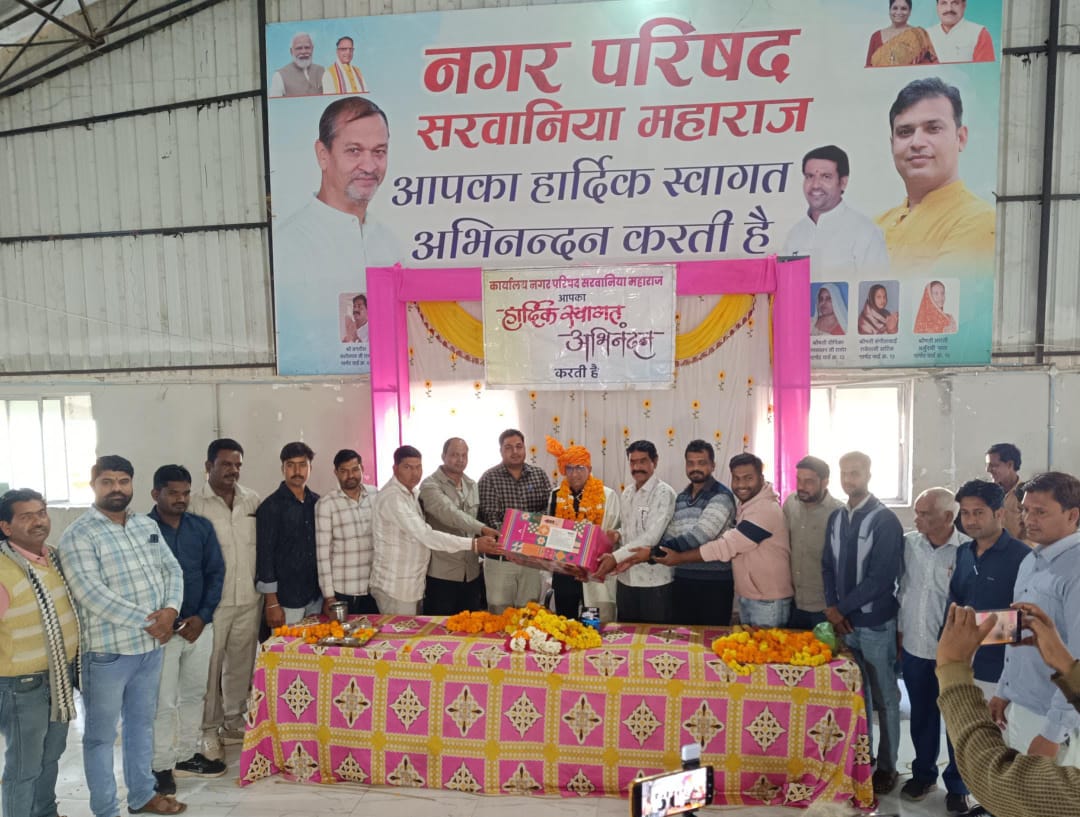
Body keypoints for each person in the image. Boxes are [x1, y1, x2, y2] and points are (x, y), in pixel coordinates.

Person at [58, 455, 186, 817]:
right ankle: (105, 809)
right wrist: (153, 622)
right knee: (100, 737)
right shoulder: (79, 534)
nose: (116, 488)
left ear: (132, 484)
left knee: (141, 726)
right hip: (107, 653)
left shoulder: (145, 524)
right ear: (94, 485)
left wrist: (171, 610)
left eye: (123, 481)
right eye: (107, 482)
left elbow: (172, 570)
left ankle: (142, 795)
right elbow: (90, 593)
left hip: (149, 649)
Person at [273, 96, 400, 374]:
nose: (369, 166)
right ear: (323, 155)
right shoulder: (287, 245)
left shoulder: (391, 243)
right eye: (354, 151)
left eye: (379, 152)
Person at [936, 602, 1080, 817]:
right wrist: (1067, 667)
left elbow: (1000, 782)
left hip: (1044, 715)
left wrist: (953, 670)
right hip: (1021, 704)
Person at [821, 451, 904, 796]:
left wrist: (840, 609)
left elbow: (881, 579)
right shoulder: (837, 517)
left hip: (873, 624)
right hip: (844, 624)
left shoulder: (885, 520)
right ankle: (862, 757)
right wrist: (833, 608)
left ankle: (888, 766)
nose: (848, 479)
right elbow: (827, 565)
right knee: (857, 695)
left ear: (869, 474)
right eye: (844, 473)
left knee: (885, 697)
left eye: (855, 473)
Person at [989, 471, 1080, 765]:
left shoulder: (1075, 570)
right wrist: (1004, 690)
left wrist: (1053, 733)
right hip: (1022, 705)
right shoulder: (1031, 559)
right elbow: (1017, 633)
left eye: (1040, 512)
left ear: (1073, 515)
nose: (1029, 519)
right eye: (1025, 510)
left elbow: (1076, 660)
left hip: (1056, 720)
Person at [148, 465, 227, 796]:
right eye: (173, 493)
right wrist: (170, 621)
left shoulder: (201, 527)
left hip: (199, 628)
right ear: (156, 494)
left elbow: (216, 573)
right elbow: (142, 583)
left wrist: (202, 617)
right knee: (164, 701)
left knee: (194, 694)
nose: (180, 499)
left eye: (185, 493)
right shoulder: (142, 530)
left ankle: (185, 755)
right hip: (162, 632)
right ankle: (161, 765)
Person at [0, 489, 79, 817]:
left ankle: (45, 813)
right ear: (6, 527)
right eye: (26, 516)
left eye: (42, 513)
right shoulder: (4, 570)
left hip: (58, 679)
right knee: (24, 768)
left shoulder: (54, 559)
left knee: (50, 757)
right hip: (22, 686)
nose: (38, 521)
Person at [896, 487, 970, 811]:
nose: (917, 519)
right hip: (915, 644)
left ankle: (958, 785)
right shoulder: (909, 544)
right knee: (922, 715)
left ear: (948, 517)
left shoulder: (966, 550)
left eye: (924, 513)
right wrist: (900, 635)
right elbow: (901, 589)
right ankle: (924, 774)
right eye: (917, 512)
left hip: (952, 654)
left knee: (956, 721)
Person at [188, 438, 262, 760]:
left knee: (241, 664)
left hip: (248, 598)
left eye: (237, 465)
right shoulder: (195, 505)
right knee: (209, 667)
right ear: (209, 466)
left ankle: (233, 720)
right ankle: (208, 729)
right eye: (226, 464)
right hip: (212, 604)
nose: (233, 470)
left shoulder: (252, 500)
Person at [876, 77, 995, 275]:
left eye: (933, 129)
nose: (917, 142)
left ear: (960, 138)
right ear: (892, 144)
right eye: (905, 132)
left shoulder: (978, 220)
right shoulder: (875, 226)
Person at [657, 453, 793, 627]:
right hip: (753, 596)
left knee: (767, 646)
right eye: (736, 478)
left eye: (748, 478)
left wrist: (679, 558)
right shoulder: (746, 506)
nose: (741, 485)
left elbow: (726, 546)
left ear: (761, 478)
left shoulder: (766, 510)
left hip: (768, 601)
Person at [370, 446, 500, 615]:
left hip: (414, 583)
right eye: (407, 467)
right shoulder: (393, 497)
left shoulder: (412, 493)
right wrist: (474, 543)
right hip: (396, 585)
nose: (414, 473)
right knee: (401, 631)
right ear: (395, 468)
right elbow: (427, 534)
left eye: (418, 467)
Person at [949, 480, 1030, 696]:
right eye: (965, 513)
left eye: (978, 513)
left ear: (999, 514)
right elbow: (955, 600)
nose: (970, 521)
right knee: (956, 716)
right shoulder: (964, 552)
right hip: (960, 662)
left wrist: (974, 632)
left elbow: (1026, 619)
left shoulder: (1023, 558)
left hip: (999, 671)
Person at [594, 441, 677, 624]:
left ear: (655, 461)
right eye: (633, 462)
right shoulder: (627, 493)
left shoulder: (664, 493)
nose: (637, 467)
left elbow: (651, 537)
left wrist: (615, 557)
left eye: (643, 461)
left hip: (654, 582)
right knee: (626, 634)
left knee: (654, 637)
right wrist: (617, 534)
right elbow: (629, 528)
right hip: (625, 580)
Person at [659, 440, 737, 626]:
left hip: (715, 583)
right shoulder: (681, 497)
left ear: (713, 465)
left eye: (702, 463)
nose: (696, 468)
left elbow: (700, 535)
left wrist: (654, 551)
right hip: (682, 579)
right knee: (682, 636)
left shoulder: (722, 496)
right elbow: (670, 533)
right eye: (691, 463)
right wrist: (661, 549)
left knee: (712, 638)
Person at [783, 145, 889, 280]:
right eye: (809, 176)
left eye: (826, 177)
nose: (815, 185)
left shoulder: (866, 232)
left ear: (843, 183)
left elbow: (875, 287)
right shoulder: (796, 233)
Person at [418, 438, 498, 616]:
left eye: (464, 455)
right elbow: (451, 514)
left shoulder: (472, 485)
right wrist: (483, 529)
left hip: (471, 573)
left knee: (470, 626)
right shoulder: (430, 485)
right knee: (440, 627)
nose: (460, 460)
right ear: (443, 456)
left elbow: (477, 517)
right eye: (454, 455)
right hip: (442, 574)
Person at [544, 437, 620, 622]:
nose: (574, 474)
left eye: (580, 468)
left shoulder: (607, 495)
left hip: (593, 572)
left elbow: (613, 533)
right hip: (564, 572)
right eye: (569, 468)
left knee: (592, 624)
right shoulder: (556, 495)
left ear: (589, 469)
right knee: (566, 623)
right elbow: (550, 532)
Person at [477, 429, 552, 612]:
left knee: (529, 612)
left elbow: (548, 513)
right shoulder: (489, 478)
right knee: (499, 612)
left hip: (532, 560)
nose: (515, 451)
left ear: (525, 448)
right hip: (501, 560)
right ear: (501, 451)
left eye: (519, 446)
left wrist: (526, 541)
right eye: (508, 447)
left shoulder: (539, 475)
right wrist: (519, 541)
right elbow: (491, 518)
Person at [256, 442, 321, 629]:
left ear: (310, 468)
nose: (297, 471)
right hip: (286, 600)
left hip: (315, 597)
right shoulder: (270, 507)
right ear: (283, 468)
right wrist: (271, 602)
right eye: (291, 465)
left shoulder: (317, 503)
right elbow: (265, 556)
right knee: (288, 646)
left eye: (302, 465)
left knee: (317, 645)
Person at [783, 456, 844, 630]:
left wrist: (839, 607)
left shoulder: (839, 513)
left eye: (809, 481)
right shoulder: (790, 503)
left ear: (825, 482)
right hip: (793, 603)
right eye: (799, 480)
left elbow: (844, 564)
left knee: (826, 648)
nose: (801, 487)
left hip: (825, 608)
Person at [315, 449, 379, 617]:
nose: (350, 475)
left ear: (362, 469)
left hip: (374, 588)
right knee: (344, 633)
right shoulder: (326, 504)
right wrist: (329, 596)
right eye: (344, 471)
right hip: (344, 590)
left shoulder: (375, 495)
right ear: (336, 472)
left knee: (376, 632)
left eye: (355, 469)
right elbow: (323, 554)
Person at [865, 0, 938, 67]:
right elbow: (868, 67)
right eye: (895, 8)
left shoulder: (919, 35)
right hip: (881, 76)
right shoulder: (876, 36)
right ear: (889, 10)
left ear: (910, 12)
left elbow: (932, 62)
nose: (899, 12)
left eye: (903, 9)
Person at [927, 0, 995, 63]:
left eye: (955, 3)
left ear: (964, 5)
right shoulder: (927, 34)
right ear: (937, 7)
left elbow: (985, 68)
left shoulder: (979, 33)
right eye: (944, 3)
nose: (949, 9)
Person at [986, 443, 1026, 541]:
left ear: (1010, 465)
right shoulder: (988, 492)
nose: (988, 470)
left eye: (994, 465)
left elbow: (1031, 531)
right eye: (987, 465)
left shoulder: (1026, 494)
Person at [269, 31, 324, 97]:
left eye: (307, 47)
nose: (303, 52)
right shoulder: (279, 76)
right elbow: (275, 102)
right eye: (299, 48)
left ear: (312, 49)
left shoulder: (322, 71)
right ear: (291, 51)